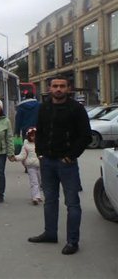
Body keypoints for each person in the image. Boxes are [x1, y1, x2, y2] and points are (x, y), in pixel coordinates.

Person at [29, 75, 91, 255]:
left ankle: (73, 241)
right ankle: (50, 233)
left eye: (62, 86)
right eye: (55, 86)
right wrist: (39, 152)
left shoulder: (76, 109)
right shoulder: (44, 107)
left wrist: (71, 156)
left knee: (72, 203)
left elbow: (85, 136)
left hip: (67, 163)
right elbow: (39, 131)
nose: (58, 89)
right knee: (50, 200)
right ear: (49, 88)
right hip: (46, 161)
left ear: (68, 88)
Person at [15, 127, 42, 205]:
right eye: (32, 135)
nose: (34, 137)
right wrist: (15, 158)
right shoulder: (26, 145)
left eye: (35, 135)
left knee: (40, 181)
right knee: (34, 182)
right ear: (29, 136)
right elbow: (22, 155)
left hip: (40, 166)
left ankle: (38, 195)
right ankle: (35, 197)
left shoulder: (41, 144)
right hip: (31, 166)